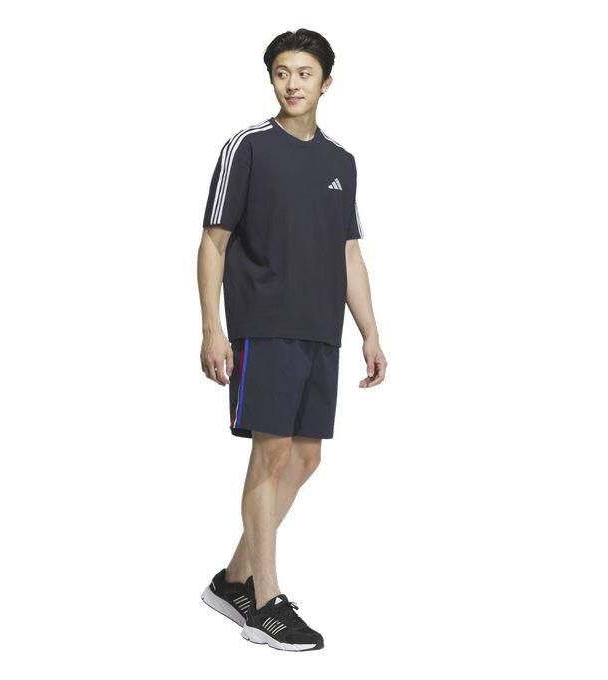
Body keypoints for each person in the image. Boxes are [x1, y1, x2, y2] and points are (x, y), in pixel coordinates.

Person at [196, 28, 387, 652]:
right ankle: (265, 603)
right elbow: (214, 241)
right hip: (265, 324)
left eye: (304, 73)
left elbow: (349, 252)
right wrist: (212, 327)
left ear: (325, 82)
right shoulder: (247, 147)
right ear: (271, 79)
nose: (292, 84)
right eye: (282, 72)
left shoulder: (341, 163)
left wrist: (370, 332)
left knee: (305, 458)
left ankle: (232, 580)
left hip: (320, 330)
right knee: (271, 453)